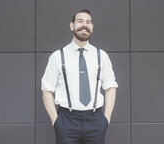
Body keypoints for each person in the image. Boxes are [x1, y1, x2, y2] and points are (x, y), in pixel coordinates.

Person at [41, 9, 118, 144]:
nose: (84, 25)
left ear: (92, 28)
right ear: (72, 26)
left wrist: (106, 119)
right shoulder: (58, 56)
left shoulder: (102, 56)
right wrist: (56, 121)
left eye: (88, 22)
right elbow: (46, 89)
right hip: (66, 121)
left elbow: (111, 86)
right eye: (80, 21)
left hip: (95, 120)